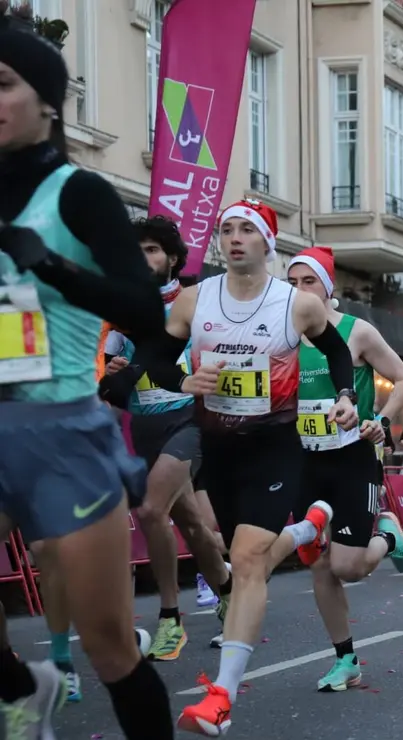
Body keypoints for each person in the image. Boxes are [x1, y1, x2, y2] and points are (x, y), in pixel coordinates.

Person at [0, 10, 174, 737]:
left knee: (106, 642)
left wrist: (51, 265)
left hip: (61, 431)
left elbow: (144, 315)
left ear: (45, 100)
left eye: (2, 84)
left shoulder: (79, 193)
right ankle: (23, 686)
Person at [138, 199, 358, 735]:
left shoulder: (297, 304)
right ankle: (309, 526)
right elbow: (156, 360)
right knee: (245, 560)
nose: (234, 238)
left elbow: (336, 352)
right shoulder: (194, 300)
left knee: (248, 556)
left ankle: (222, 695)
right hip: (220, 449)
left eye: (246, 230)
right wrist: (183, 381)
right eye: (226, 230)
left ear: (266, 244)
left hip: (275, 446)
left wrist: (347, 394)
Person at [100, 216, 231, 662]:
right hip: (144, 428)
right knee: (193, 526)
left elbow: (216, 358)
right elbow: (111, 379)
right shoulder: (123, 311)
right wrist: (113, 375)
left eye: (153, 249)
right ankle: (229, 592)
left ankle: (170, 618)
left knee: (151, 509)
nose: (144, 258)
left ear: (173, 257)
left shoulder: (195, 303)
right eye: (137, 251)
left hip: (189, 421)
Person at [286, 246, 403, 691]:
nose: (300, 291)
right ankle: (346, 659)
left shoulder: (355, 331)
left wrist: (380, 422)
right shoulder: (281, 334)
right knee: (319, 564)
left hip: (353, 457)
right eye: (293, 282)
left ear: (327, 287)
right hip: (306, 458)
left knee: (349, 568)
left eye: (309, 282)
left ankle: (388, 536)